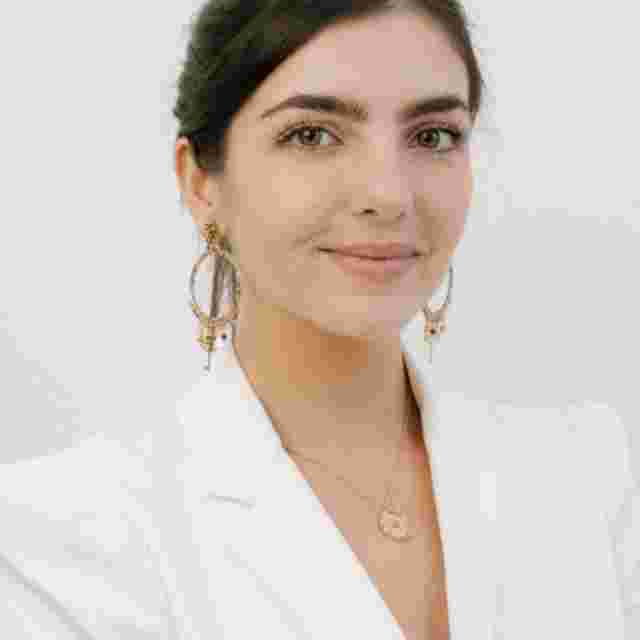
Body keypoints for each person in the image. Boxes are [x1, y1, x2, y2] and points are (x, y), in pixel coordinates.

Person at [1, 1, 637, 638]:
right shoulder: (65, 536)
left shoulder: (580, 473)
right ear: (200, 182)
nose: (387, 195)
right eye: (311, 135)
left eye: (432, 136)